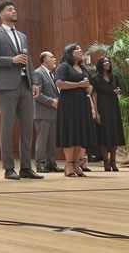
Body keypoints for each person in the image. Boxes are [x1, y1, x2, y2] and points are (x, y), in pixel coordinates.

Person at [0, 0, 43, 180]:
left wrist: (34, 82)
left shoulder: (22, 36)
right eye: (10, 9)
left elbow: (29, 60)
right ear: (2, 15)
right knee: (7, 127)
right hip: (7, 86)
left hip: (25, 85)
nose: (14, 11)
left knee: (27, 127)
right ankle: (8, 168)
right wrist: (11, 60)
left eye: (14, 8)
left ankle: (26, 167)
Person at [55, 43, 96, 177]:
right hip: (69, 105)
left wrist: (89, 88)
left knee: (79, 134)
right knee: (70, 133)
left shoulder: (83, 68)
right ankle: (68, 164)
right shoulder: (63, 66)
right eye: (77, 49)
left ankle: (76, 164)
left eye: (80, 48)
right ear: (69, 52)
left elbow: (88, 84)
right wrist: (79, 85)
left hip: (82, 104)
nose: (80, 50)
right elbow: (60, 83)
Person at [91, 56, 125, 171]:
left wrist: (118, 91)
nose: (107, 63)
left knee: (114, 134)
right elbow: (94, 95)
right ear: (100, 64)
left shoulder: (114, 77)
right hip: (102, 105)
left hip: (113, 106)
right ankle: (105, 161)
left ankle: (113, 161)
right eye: (105, 61)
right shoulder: (95, 78)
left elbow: (118, 89)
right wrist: (96, 111)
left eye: (108, 61)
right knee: (103, 135)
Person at [33, 51, 63, 173]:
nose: (55, 59)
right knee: (42, 140)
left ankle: (51, 163)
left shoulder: (52, 74)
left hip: (53, 113)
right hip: (42, 113)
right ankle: (40, 164)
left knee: (52, 140)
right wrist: (52, 102)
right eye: (52, 57)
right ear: (44, 59)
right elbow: (36, 94)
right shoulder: (37, 73)